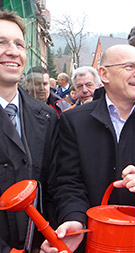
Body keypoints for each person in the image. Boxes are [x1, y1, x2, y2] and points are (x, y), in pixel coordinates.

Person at [40, 44, 135, 252]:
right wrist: (75, 219)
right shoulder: (74, 121)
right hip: (95, 240)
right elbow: (66, 182)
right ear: (104, 74)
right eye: (130, 67)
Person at [0, 10, 58, 252]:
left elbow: (56, 183)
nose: (13, 51)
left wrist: (54, 233)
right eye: (1, 42)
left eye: (19, 44)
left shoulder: (45, 116)